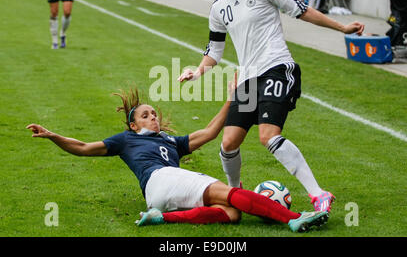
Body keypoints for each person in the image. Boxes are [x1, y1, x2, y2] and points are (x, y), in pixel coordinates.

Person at [178, 0, 365, 213]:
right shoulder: (218, 9)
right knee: (228, 144)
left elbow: (302, 10)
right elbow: (215, 51)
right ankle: (235, 196)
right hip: (248, 80)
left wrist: (341, 27)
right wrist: (197, 71)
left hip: (277, 68)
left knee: (267, 136)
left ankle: (318, 194)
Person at [26, 86, 329, 232]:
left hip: (160, 194)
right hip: (162, 179)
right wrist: (53, 135)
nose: (153, 116)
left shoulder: (171, 141)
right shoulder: (125, 140)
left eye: (153, 112)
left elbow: (210, 132)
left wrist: (231, 100)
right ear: (134, 125)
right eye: (145, 115)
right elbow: (81, 147)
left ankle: (160, 217)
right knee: (232, 195)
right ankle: (294, 220)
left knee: (232, 213)